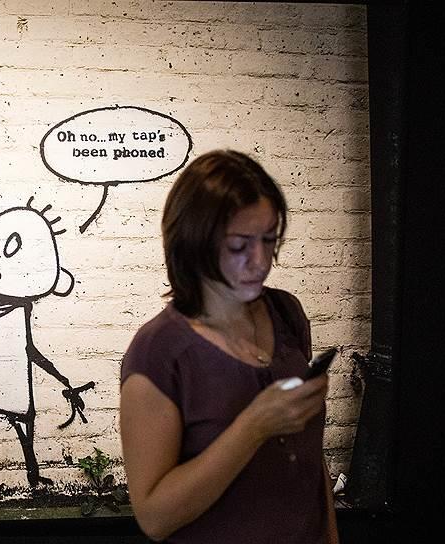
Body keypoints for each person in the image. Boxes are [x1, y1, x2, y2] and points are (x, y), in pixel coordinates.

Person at [119, 150, 338, 543]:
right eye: (239, 245)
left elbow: (309, 459)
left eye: (269, 239)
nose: (260, 261)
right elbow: (155, 518)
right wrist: (254, 426)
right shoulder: (159, 351)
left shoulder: (285, 312)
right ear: (194, 243)